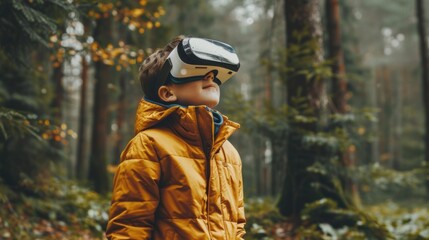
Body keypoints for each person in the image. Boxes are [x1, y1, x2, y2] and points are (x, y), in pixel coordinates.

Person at [105, 35, 246, 240]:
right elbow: (129, 227)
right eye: (199, 72)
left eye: (214, 75)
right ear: (167, 93)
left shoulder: (228, 152)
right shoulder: (148, 146)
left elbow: (237, 225)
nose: (211, 77)